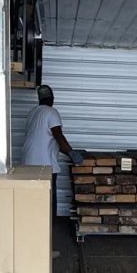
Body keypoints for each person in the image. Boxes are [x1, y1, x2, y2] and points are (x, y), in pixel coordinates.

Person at [22, 84, 83, 219]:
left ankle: (31, 222)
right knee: (49, 196)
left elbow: (45, 139)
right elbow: (58, 135)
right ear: (52, 99)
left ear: (39, 99)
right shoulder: (51, 112)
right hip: (44, 164)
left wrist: (68, 151)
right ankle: (49, 225)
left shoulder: (32, 113)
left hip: (27, 163)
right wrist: (72, 153)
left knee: (32, 195)